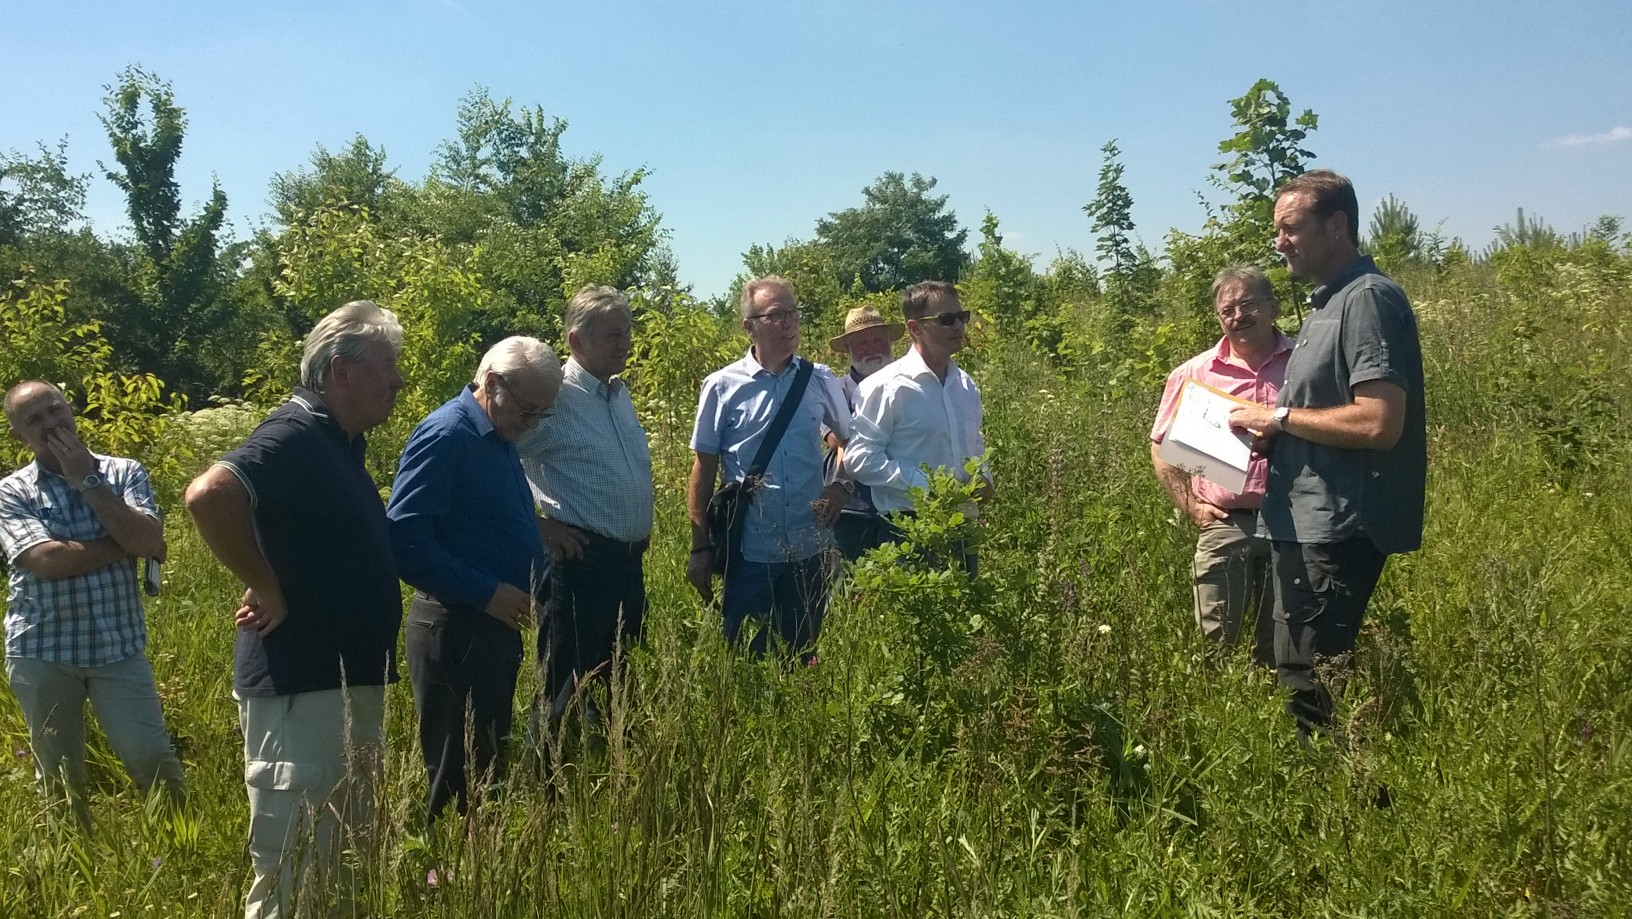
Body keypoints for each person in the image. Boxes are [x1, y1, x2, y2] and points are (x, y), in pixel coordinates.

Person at [185, 300, 406, 918]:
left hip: (336, 685)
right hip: (300, 688)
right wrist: (266, 584)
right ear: (341, 371)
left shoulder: (337, 443)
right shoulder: (297, 432)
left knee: (337, 866)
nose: (399, 382)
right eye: (388, 367)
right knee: (296, 870)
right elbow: (209, 495)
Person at [1228, 169, 1427, 743]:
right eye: (1278, 231)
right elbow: (1326, 415)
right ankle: (1317, 794)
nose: (1280, 242)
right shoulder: (1325, 306)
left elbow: (1379, 421)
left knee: (1313, 679)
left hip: (1336, 527)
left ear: (1336, 225)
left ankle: (1336, 800)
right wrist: (1276, 435)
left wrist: (1281, 418)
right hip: (1302, 519)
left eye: (1291, 228)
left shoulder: (1366, 300)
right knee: (1294, 671)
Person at [388, 337, 561, 822]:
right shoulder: (448, 436)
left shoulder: (499, 436)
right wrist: (485, 593)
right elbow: (405, 539)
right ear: (492, 384)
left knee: (487, 765)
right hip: (454, 626)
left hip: (489, 629)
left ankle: (477, 874)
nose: (532, 425)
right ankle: (441, 879)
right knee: (454, 774)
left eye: (542, 415)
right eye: (529, 411)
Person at [1, 381, 184, 827]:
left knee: (152, 757)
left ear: (71, 409)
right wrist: (126, 542)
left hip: (118, 647)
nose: (51, 423)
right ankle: (73, 861)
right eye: (35, 420)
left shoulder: (123, 472)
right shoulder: (11, 491)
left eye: (56, 409)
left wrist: (86, 478)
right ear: (18, 436)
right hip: (42, 650)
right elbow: (46, 561)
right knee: (61, 776)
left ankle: (180, 845)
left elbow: (146, 540)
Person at [686, 276, 851, 660]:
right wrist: (700, 547)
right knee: (745, 659)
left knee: (804, 656)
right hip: (748, 551)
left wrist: (840, 486)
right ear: (749, 326)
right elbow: (703, 468)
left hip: (809, 548)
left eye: (793, 313)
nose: (789, 323)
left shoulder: (820, 379)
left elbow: (848, 440)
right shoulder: (721, 387)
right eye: (776, 315)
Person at [517, 286, 653, 728]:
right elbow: (494, 453)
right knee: (562, 690)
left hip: (626, 565)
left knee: (623, 689)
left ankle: (618, 782)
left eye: (627, 331)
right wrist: (535, 525)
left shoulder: (616, 392)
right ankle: (547, 789)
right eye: (613, 335)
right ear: (576, 341)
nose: (626, 343)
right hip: (578, 565)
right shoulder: (554, 395)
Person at [1151, 266, 1293, 666]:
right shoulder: (1194, 373)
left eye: (1248, 304)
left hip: (1293, 522)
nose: (1237, 316)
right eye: (1227, 309)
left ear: (1273, 306)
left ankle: (1275, 717)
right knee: (1214, 647)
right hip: (1225, 524)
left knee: (1282, 644)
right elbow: (1160, 447)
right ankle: (1217, 718)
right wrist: (1192, 507)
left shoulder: (1304, 362)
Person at [844, 281, 991, 574]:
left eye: (962, 317)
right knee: (921, 620)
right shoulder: (884, 387)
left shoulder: (964, 385)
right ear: (915, 328)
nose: (958, 327)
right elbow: (859, 460)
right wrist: (929, 487)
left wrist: (983, 477)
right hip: (910, 530)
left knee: (965, 617)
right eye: (945, 320)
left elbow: (973, 443)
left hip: (962, 526)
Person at [823, 304, 904, 560]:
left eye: (878, 340)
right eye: (861, 343)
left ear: (891, 342)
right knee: (847, 590)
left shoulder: (909, 385)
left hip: (902, 506)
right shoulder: (836, 389)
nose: (871, 349)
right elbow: (836, 440)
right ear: (848, 350)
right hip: (851, 508)